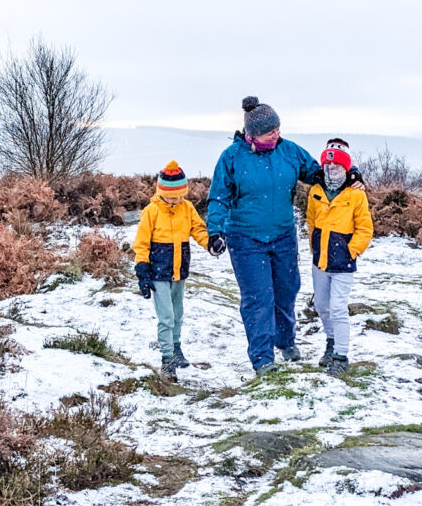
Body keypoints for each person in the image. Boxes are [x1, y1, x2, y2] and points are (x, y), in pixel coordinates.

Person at [207, 97, 362, 375]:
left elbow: (319, 174)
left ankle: (286, 341)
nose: (276, 134)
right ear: (252, 135)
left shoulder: (288, 151)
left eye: (278, 129)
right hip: (245, 238)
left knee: (287, 290)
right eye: (270, 132)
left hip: (282, 236)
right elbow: (218, 197)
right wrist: (215, 231)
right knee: (258, 297)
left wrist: (348, 173)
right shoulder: (232, 157)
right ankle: (263, 359)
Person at [133, 161, 210, 381]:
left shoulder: (187, 208)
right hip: (158, 272)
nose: (176, 200)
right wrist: (142, 268)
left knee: (178, 313)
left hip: (179, 270)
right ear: (162, 192)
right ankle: (167, 360)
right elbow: (141, 243)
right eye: (171, 196)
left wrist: (209, 244)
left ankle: (176, 349)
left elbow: (198, 229)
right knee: (166, 316)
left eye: (179, 196)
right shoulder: (152, 211)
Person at [306, 139, 373, 376]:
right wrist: (314, 245)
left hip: (343, 263)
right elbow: (311, 221)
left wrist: (351, 250)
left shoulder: (355, 195)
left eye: (336, 167)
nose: (331, 171)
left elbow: (365, 228)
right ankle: (331, 342)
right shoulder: (316, 191)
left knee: (337, 308)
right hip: (320, 261)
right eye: (327, 166)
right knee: (322, 306)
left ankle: (341, 356)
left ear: (346, 169)